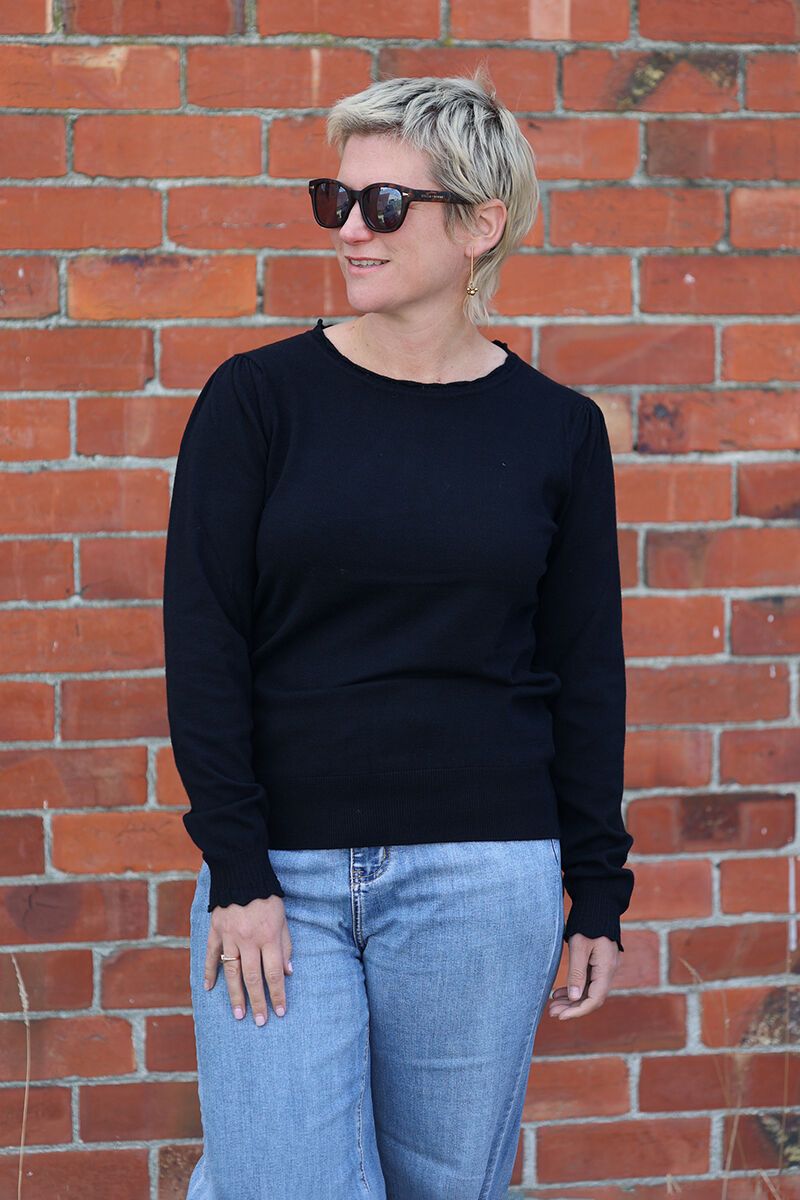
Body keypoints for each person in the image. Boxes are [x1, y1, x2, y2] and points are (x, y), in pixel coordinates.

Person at [163, 67, 635, 1200]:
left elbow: (582, 671)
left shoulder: (557, 430)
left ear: (480, 225)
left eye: (383, 205)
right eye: (336, 200)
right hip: (281, 875)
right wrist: (238, 869)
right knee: (279, 1181)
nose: (350, 231)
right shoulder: (257, 401)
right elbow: (205, 642)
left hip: (483, 878)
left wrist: (597, 888)